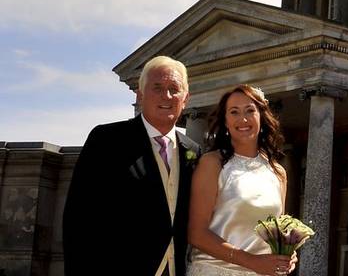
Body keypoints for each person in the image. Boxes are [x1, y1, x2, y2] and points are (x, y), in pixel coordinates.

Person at [63, 55, 200, 276]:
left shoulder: (193, 151)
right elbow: (78, 221)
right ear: (140, 95)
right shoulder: (107, 140)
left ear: (185, 99)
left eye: (174, 88)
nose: (166, 95)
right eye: (157, 87)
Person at [187, 85, 296, 276]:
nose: (243, 119)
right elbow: (196, 233)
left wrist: (288, 253)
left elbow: (276, 232)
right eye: (234, 112)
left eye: (250, 111)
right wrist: (252, 262)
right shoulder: (212, 164)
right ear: (226, 121)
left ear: (261, 116)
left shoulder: (278, 172)